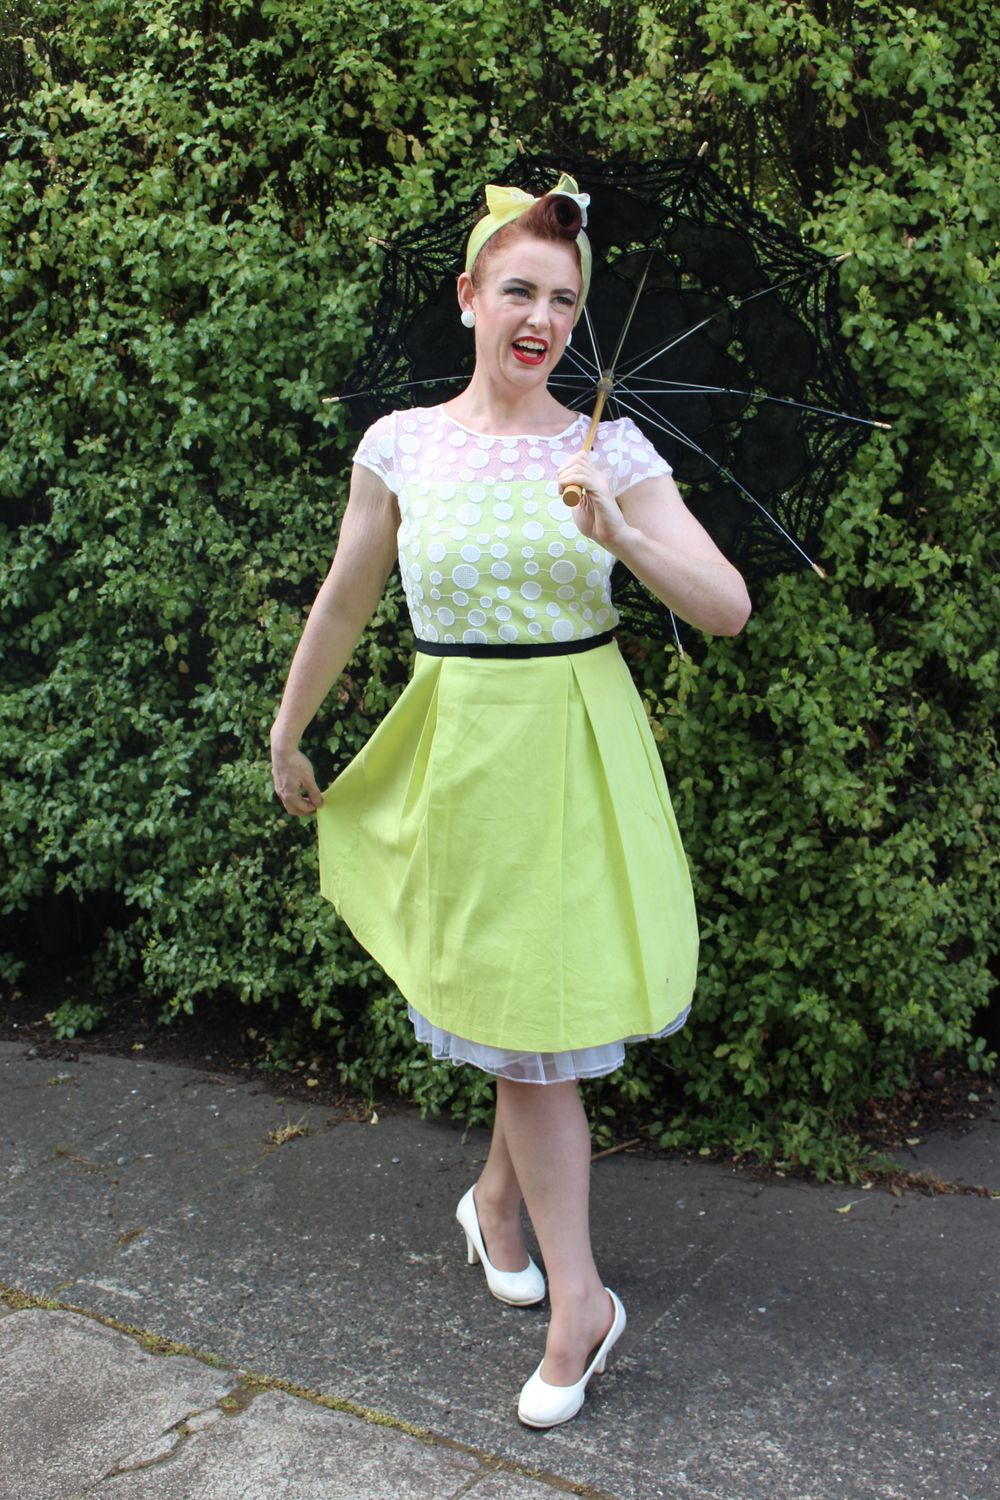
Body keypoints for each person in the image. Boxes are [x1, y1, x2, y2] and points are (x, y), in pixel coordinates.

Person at [270, 174, 751, 1428]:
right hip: (460, 754)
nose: (542, 318)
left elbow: (725, 606)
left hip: (574, 752)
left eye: (565, 301)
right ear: (470, 297)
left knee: (532, 1026)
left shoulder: (609, 451)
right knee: (512, 1011)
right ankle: (495, 1207)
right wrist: (288, 726)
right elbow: (346, 594)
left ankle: (577, 1301)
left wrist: (621, 535)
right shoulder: (401, 444)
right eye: (520, 291)